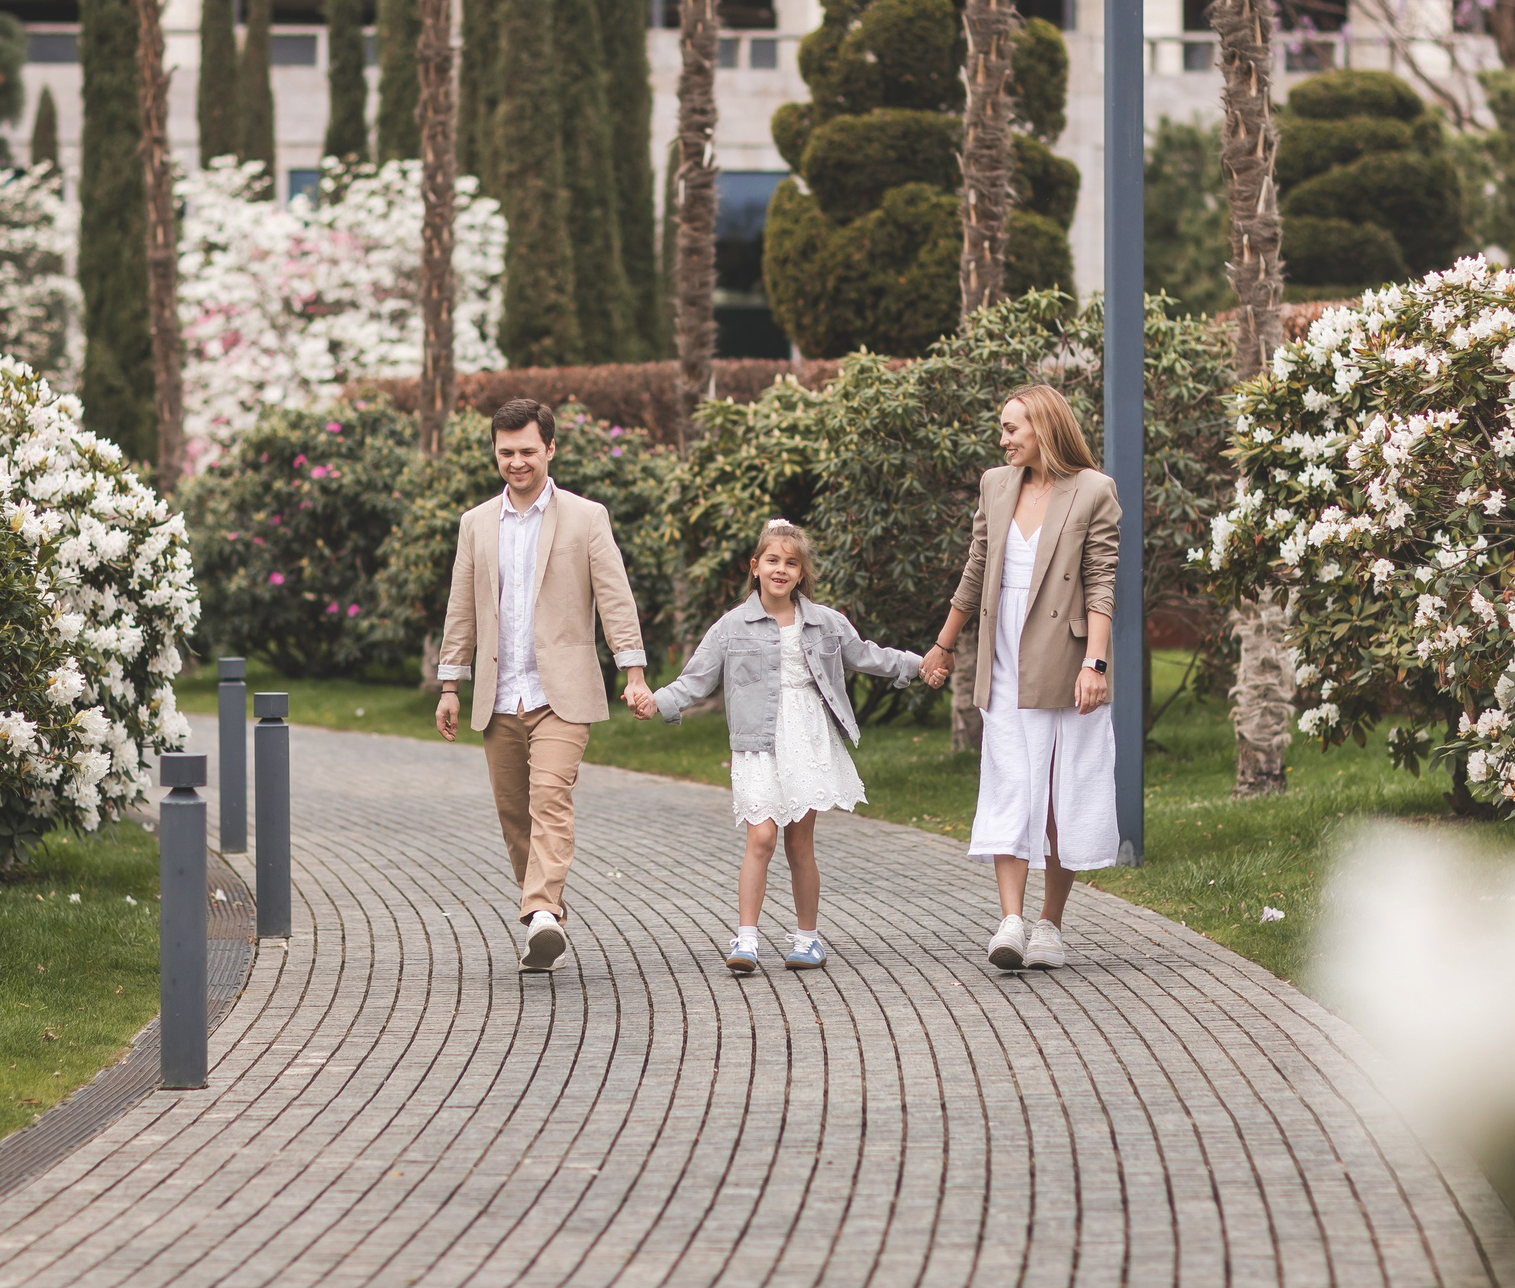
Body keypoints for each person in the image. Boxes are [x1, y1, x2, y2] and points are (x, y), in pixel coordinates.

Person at [636, 520, 927, 972]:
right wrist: (657, 702)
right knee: (761, 836)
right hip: (757, 741)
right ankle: (747, 938)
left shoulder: (825, 622)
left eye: (791, 563)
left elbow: (866, 654)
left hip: (808, 737)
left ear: (801, 572)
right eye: (772, 560)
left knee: (799, 843)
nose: (781, 569)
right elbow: (697, 678)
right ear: (755, 567)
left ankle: (807, 938)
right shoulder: (732, 627)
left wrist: (918, 663)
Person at [436, 398, 654, 972]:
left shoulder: (586, 517)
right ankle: (546, 919)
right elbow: (462, 608)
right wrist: (450, 685)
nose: (516, 462)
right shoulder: (476, 524)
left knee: (549, 800)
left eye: (527, 450)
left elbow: (614, 595)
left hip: (563, 691)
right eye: (506, 452)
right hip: (498, 693)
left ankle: (537, 910)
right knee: (516, 819)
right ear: (495, 452)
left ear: (550, 449)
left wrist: (632, 670)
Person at [919, 385, 1121, 971]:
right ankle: (1010, 921)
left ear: (1044, 428)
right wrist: (944, 643)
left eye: (1012, 429)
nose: (1003, 439)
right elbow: (977, 567)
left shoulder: (1093, 490)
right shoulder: (996, 484)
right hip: (1003, 654)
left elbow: (1102, 581)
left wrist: (1096, 664)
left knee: (1065, 795)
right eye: (1002, 429)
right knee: (1010, 782)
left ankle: (1050, 927)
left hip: (1067, 654)